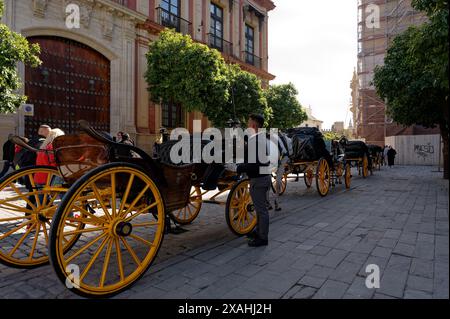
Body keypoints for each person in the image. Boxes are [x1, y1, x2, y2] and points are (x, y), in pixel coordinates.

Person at [237, 114, 272, 247]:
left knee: (261, 210)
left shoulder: (256, 141)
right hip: (261, 177)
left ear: (254, 125)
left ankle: (263, 238)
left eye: (248, 123)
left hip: (259, 179)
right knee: (259, 209)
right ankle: (259, 231)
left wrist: (240, 167)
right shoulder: (259, 139)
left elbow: (254, 163)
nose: (247, 125)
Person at [272, 131, 293, 211]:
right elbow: (289, 153)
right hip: (283, 157)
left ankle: (267, 202)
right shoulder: (287, 140)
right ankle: (276, 201)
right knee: (278, 179)